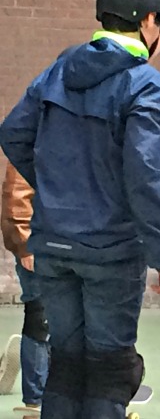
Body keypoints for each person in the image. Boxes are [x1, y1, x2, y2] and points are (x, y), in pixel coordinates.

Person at [0, 0, 160, 419]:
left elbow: (13, 133)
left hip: (53, 245)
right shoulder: (146, 85)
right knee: (107, 370)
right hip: (111, 252)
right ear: (146, 23)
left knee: (65, 364)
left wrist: (59, 188)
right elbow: (144, 174)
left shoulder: (61, 68)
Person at [0, 164, 49, 414]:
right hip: (39, 243)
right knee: (41, 316)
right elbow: (16, 192)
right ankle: (35, 400)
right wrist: (25, 244)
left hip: (71, 243)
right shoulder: (35, 129)